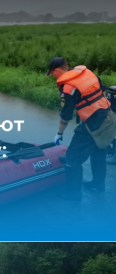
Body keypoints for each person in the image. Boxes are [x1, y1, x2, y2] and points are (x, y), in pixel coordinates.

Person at [46, 56, 116, 201]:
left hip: (93, 123)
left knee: (72, 158)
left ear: (57, 70)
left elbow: (66, 115)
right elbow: (101, 91)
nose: (53, 76)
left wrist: (59, 133)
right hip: (107, 117)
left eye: (52, 73)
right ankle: (98, 185)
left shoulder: (68, 87)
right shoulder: (86, 73)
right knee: (98, 153)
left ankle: (73, 194)